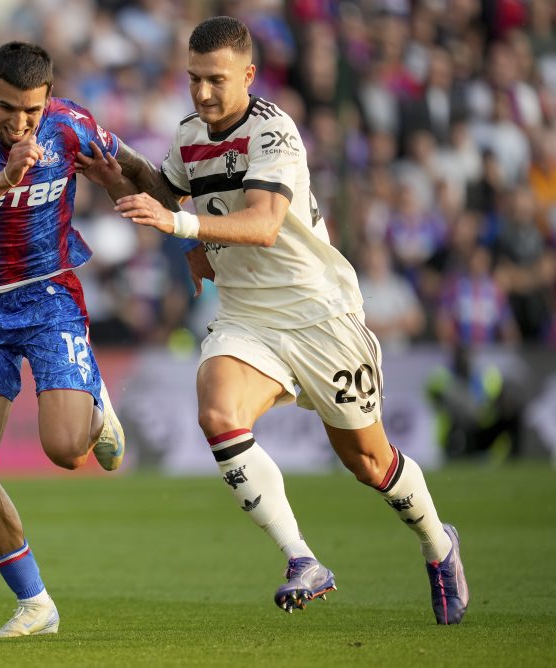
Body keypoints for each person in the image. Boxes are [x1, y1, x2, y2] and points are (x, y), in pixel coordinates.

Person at [78, 16, 468, 625]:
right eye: (193, 80)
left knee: (368, 462)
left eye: (216, 80)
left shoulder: (274, 134)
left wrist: (182, 229)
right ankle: (302, 560)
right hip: (247, 317)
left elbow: (260, 224)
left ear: (249, 75)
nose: (203, 93)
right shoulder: (188, 135)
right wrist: (116, 167)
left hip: (319, 314)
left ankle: (439, 545)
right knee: (216, 412)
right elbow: (164, 191)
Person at [0, 41, 159, 638]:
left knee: (65, 452)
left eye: (31, 111)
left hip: (48, 294)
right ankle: (36, 605)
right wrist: (4, 179)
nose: (19, 123)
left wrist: (192, 231)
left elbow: (137, 169)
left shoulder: (72, 125)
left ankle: (94, 405)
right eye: (7, 109)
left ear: (48, 99)